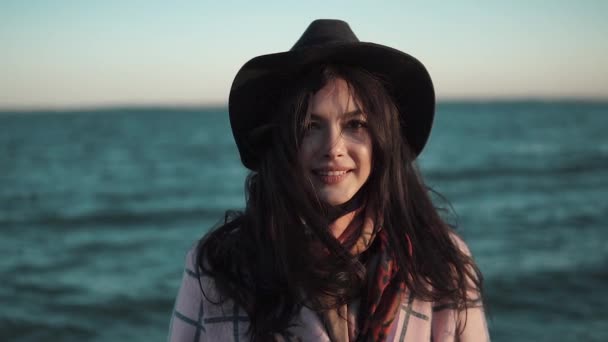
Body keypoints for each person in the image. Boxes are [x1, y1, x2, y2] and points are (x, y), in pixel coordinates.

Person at [168, 19, 489, 341]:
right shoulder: (218, 265)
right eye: (310, 126)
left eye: (356, 125)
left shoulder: (439, 261)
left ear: (383, 140)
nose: (333, 148)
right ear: (283, 143)